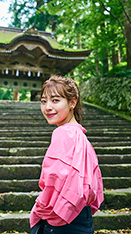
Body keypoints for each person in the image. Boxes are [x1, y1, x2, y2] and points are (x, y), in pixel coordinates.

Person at [30, 76, 104, 234]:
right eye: (43, 101)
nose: (48, 107)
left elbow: (53, 179)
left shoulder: (63, 133)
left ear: (72, 102)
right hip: (82, 217)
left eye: (55, 100)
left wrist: (38, 210)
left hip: (62, 219)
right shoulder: (81, 137)